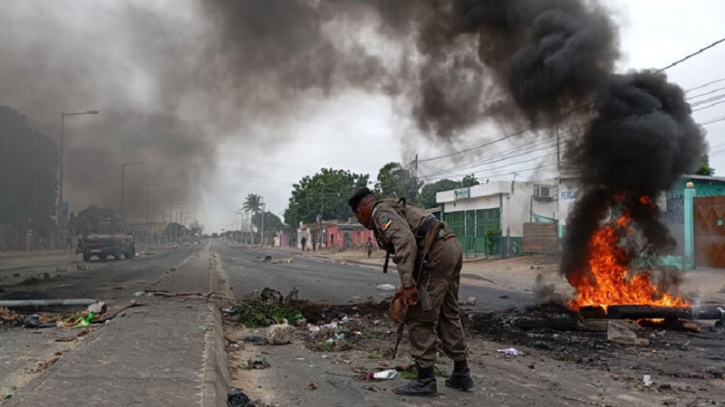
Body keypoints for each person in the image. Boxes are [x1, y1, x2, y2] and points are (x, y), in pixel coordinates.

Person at [348, 187, 473, 396]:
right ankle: (461, 372)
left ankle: (425, 380)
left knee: (419, 314)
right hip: (450, 246)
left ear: (360, 211)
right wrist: (408, 282)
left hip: (437, 252)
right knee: (447, 312)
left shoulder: (381, 213)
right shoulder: (393, 207)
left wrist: (408, 286)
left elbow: (405, 241)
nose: (361, 222)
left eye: (358, 217)